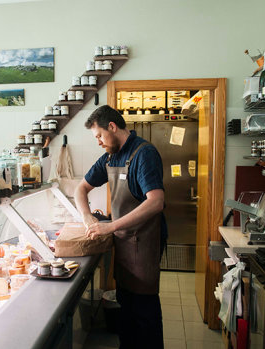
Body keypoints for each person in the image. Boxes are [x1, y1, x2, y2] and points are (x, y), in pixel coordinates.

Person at [74, 105, 167, 349]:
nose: (98, 142)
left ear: (112, 127)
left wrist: (110, 226)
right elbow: (80, 189)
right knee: (127, 310)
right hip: (124, 244)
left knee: (145, 315)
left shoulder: (143, 154)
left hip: (144, 245)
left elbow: (156, 201)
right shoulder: (110, 157)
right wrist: (88, 218)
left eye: (99, 136)